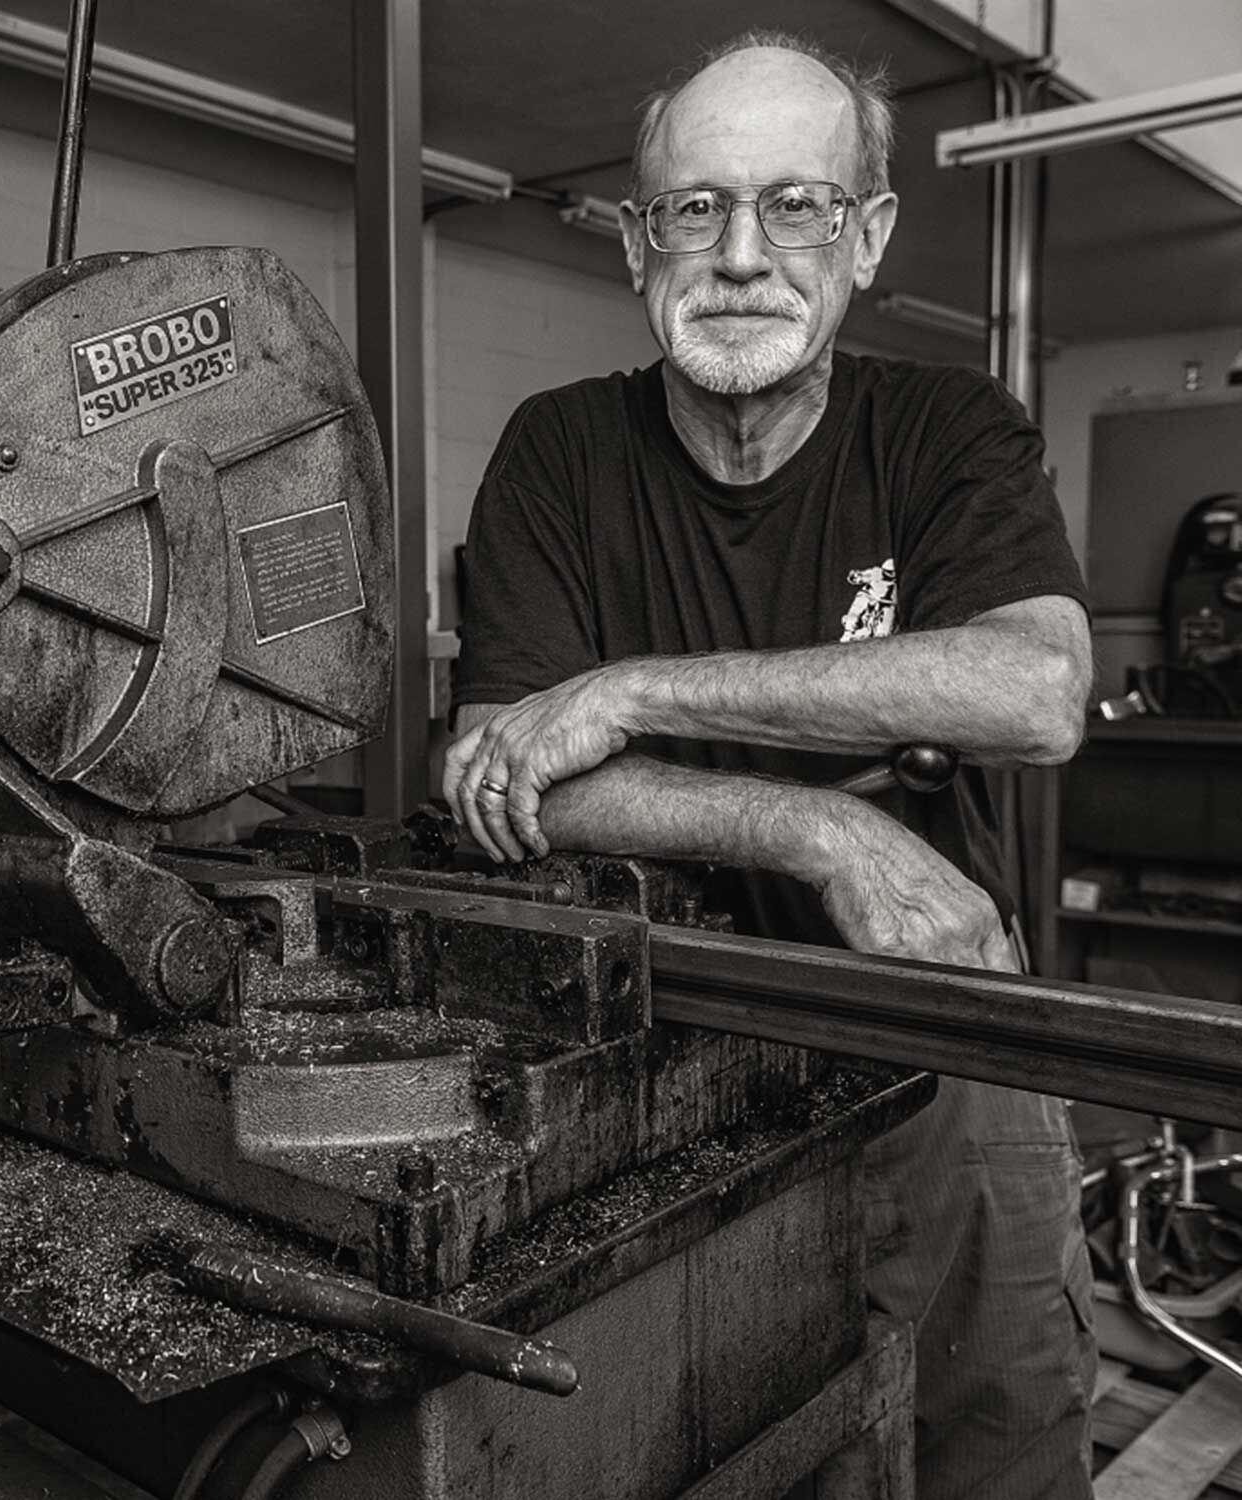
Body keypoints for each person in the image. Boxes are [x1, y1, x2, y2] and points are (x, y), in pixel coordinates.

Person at [443, 30, 1097, 1500]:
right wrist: (819, 826)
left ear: (863, 237)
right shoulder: (559, 453)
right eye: (696, 209)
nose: (742, 255)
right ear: (636, 243)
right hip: (664, 1083)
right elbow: (494, 769)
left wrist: (630, 693)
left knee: (995, 1446)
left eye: (795, 206)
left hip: (951, 1051)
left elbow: (1036, 687)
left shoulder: (948, 434)